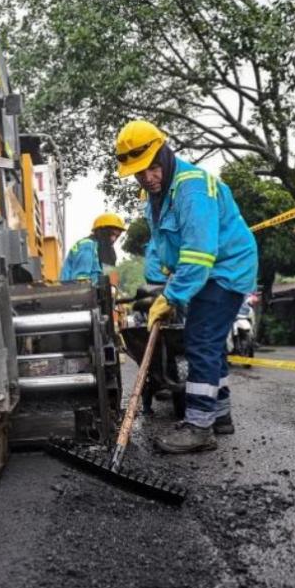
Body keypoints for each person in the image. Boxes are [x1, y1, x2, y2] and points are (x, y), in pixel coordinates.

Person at [115, 119, 258, 453]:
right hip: (205, 272)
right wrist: (162, 282)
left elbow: (199, 253)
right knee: (205, 340)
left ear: (163, 153)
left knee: (201, 341)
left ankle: (199, 427)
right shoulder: (160, 195)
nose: (147, 177)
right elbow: (163, 245)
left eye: (151, 168)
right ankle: (220, 416)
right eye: (138, 173)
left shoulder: (191, 188)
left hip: (224, 270)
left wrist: (172, 295)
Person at [60, 212, 127, 284]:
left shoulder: (109, 253)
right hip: (74, 292)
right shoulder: (86, 246)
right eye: (112, 234)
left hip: (95, 292)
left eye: (117, 236)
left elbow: (113, 281)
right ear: (101, 231)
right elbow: (81, 280)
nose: (114, 239)